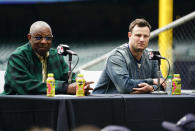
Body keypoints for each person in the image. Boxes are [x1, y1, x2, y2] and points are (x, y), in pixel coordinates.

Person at [2, 21, 92, 95]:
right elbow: (25, 86)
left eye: (48, 38)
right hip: (14, 107)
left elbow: (67, 76)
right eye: (38, 37)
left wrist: (79, 84)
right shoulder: (18, 57)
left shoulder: (56, 55)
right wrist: (65, 88)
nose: (44, 42)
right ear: (29, 37)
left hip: (47, 105)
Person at [93, 18, 165, 94]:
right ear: (129, 35)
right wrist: (152, 81)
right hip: (105, 103)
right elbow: (124, 86)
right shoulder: (116, 56)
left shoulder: (152, 55)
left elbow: (163, 83)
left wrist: (151, 88)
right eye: (138, 35)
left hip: (133, 102)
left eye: (145, 36)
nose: (142, 39)